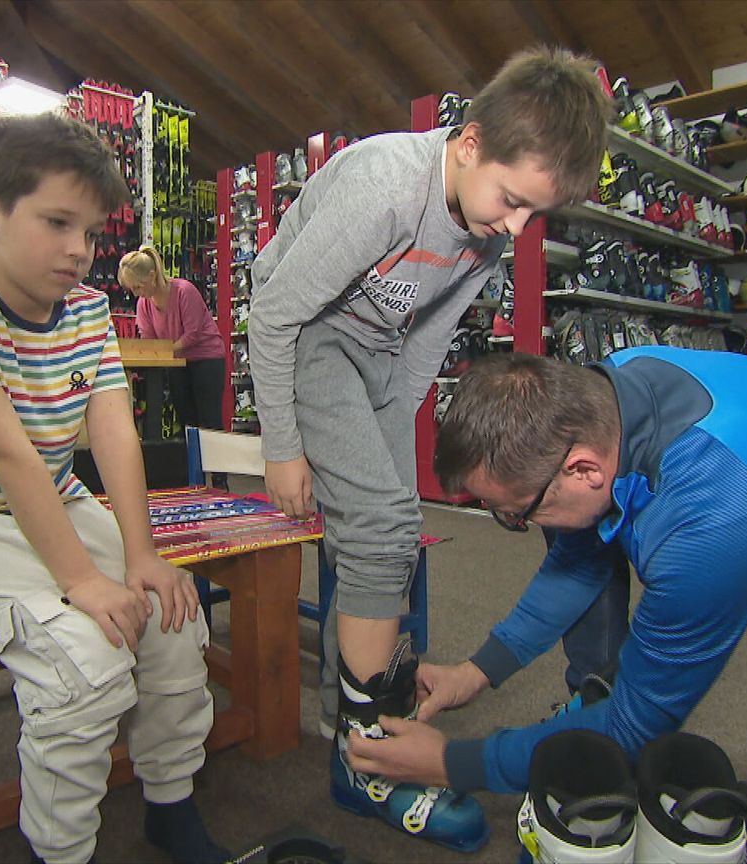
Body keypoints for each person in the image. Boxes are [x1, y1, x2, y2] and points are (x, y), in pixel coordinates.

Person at [348, 348, 747, 863]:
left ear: (584, 470)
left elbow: (636, 726)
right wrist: (477, 672)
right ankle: (601, 698)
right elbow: (577, 562)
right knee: (583, 537)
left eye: (515, 514)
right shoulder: (607, 393)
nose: (515, 523)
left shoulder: (713, 523)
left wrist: (454, 763)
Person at [247, 45, 612, 851]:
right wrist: (284, 446)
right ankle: (364, 759)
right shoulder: (387, 185)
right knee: (379, 528)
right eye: (513, 201)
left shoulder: (485, 233)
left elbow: (420, 348)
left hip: (376, 349)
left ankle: (345, 720)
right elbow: (273, 315)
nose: (516, 227)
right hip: (311, 330)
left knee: (387, 529)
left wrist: (382, 450)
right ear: (472, 142)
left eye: (534, 214)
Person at [0, 113, 224, 864]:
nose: (78, 250)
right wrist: (83, 581)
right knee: (81, 661)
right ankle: (58, 853)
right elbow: (10, 456)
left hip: (51, 500)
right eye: (58, 223)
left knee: (170, 614)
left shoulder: (89, 309)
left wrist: (141, 556)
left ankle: (171, 803)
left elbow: (114, 431)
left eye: (90, 232)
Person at [119, 245, 226, 432]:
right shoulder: (143, 304)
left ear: (152, 276)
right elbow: (149, 340)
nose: (136, 293)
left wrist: (164, 351)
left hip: (206, 358)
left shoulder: (184, 291)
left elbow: (193, 334)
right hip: (176, 361)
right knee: (186, 421)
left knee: (209, 421)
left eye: (138, 286)